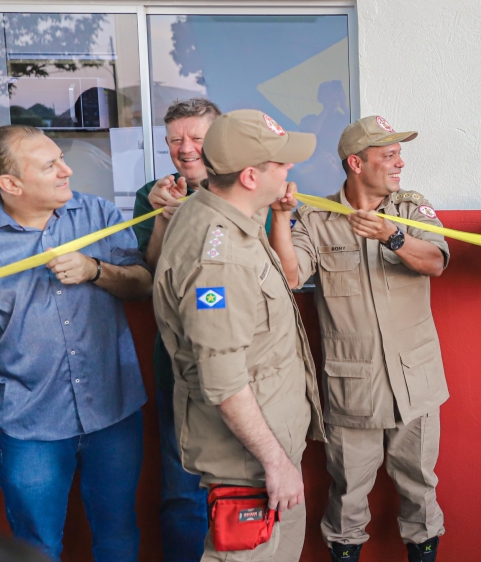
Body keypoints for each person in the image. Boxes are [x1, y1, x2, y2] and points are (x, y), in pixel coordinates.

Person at [268, 116, 449, 562]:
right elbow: (289, 276)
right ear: (356, 163)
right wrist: (281, 217)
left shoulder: (410, 210)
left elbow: (435, 262)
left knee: (420, 488)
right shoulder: (317, 219)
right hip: (353, 386)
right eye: (389, 155)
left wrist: (393, 237)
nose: (400, 163)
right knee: (348, 492)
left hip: (415, 382)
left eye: (399, 154)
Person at [152, 109, 324, 562]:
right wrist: (275, 462)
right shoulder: (220, 257)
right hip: (250, 463)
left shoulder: (226, 212)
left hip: (268, 445)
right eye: (281, 162)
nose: (290, 169)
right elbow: (224, 380)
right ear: (249, 176)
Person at [0, 125, 152, 561]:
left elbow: (142, 284)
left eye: (61, 159)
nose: (67, 171)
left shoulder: (98, 213)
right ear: (11, 184)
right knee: (37, 546)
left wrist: (95, 270)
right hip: (29, 421)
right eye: (50, 166)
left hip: (112, 408)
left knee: (118, 534)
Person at [132, 97, 222, 561]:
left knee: (248, 486)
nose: (185, 149)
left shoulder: (247, 184)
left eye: (196, 138)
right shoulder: (152, 192)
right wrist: (164, 216)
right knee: (183, 489)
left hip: (246, 361)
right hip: (177, 360)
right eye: (174, 140)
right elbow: (150, 272)